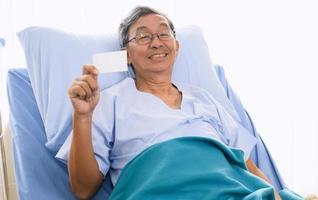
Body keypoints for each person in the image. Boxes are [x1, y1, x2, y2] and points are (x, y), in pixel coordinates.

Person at [59, 6, 281, 200]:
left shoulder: (203, 98)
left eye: (163, 33)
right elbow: (83, 189)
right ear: (126, 54)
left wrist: (274, 195)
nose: (156, 43)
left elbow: (247, 165)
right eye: (143, 37)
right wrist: (83, 117)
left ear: (176, 46)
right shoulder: (107, 101)